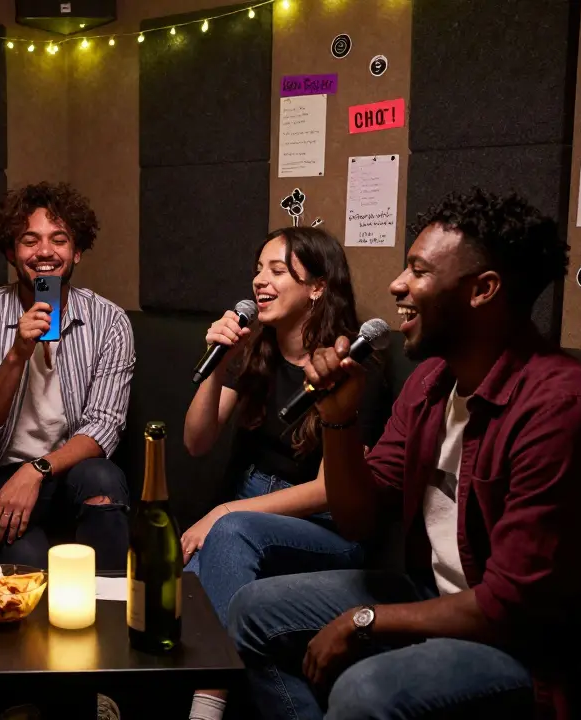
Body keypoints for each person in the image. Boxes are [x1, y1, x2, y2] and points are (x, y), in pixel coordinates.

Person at [227, 189, 581, 719]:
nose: (396, 285)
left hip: (534, 651)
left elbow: (508, 608)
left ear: (482, 290)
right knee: (252, 609)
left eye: (418, 272)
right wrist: (339, 416)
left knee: (366, 690)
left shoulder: (563, 410)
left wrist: (367, 620)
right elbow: (358, 520)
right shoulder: (430, 384)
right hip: (433, 594)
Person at [180, 228, 390, 720]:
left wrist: (226, 512)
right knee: (186, 588)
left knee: (226, 538)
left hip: (325, 526)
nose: (260, 281)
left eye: (277, 271)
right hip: (250, 513)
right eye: (258, 269)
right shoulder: (258, 352)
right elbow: (196, 441)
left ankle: (207, 705)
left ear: (317, 286)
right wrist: (219, 364)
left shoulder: (353, 366)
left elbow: (324, 491)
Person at [0, 181, 135, 573]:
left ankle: (114, 622)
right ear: (10, 251)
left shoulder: (110, 322)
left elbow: (104, 427)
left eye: (59, 240)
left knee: (103, 478)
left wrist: (36, 470)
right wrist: (18, 351)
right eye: (30, 240)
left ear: (77, 251)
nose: (46, 252)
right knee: (30, 561)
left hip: (64, 472)